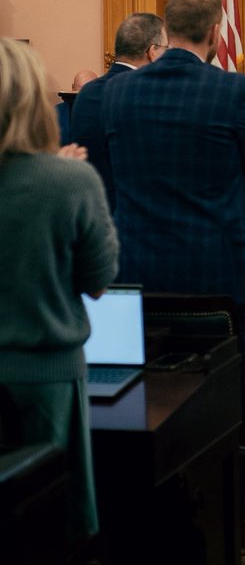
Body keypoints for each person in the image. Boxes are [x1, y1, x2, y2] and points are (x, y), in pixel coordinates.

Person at [102, 0, 245, 339]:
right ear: (215, 32)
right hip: (214, 274)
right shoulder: (230, 90)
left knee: (148, 389)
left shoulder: (118, 89)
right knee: (226, 385)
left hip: (138, 268)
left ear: (168, 28)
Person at [0, 39, 119, 545]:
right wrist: (67, 177)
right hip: (45, 376)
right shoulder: (69, 182)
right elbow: (98, 279)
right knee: (51, 524)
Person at [70, 12, 167, 210]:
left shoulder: (87, 92)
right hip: (135, 214)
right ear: (153, 52)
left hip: (91, 209)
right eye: (167, 48)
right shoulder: (147, 94)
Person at [55, 68, 99, 145]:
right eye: (81, 90)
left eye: (90, 90)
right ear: (73, 87)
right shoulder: (56, 112)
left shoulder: (105, 113)